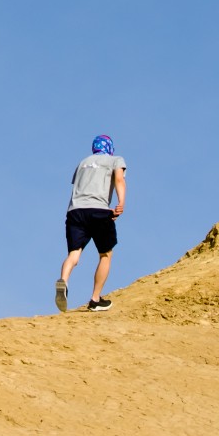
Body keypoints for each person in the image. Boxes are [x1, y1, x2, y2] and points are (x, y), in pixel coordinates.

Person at [55, 134, 126, 313]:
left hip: (75, 212)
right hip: (99, 211)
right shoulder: (115, 160)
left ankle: (63, 280)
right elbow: (119, 179)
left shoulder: (82, 163)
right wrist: (120, 203)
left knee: (74, 254)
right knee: (105, 255)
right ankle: (95, 299)